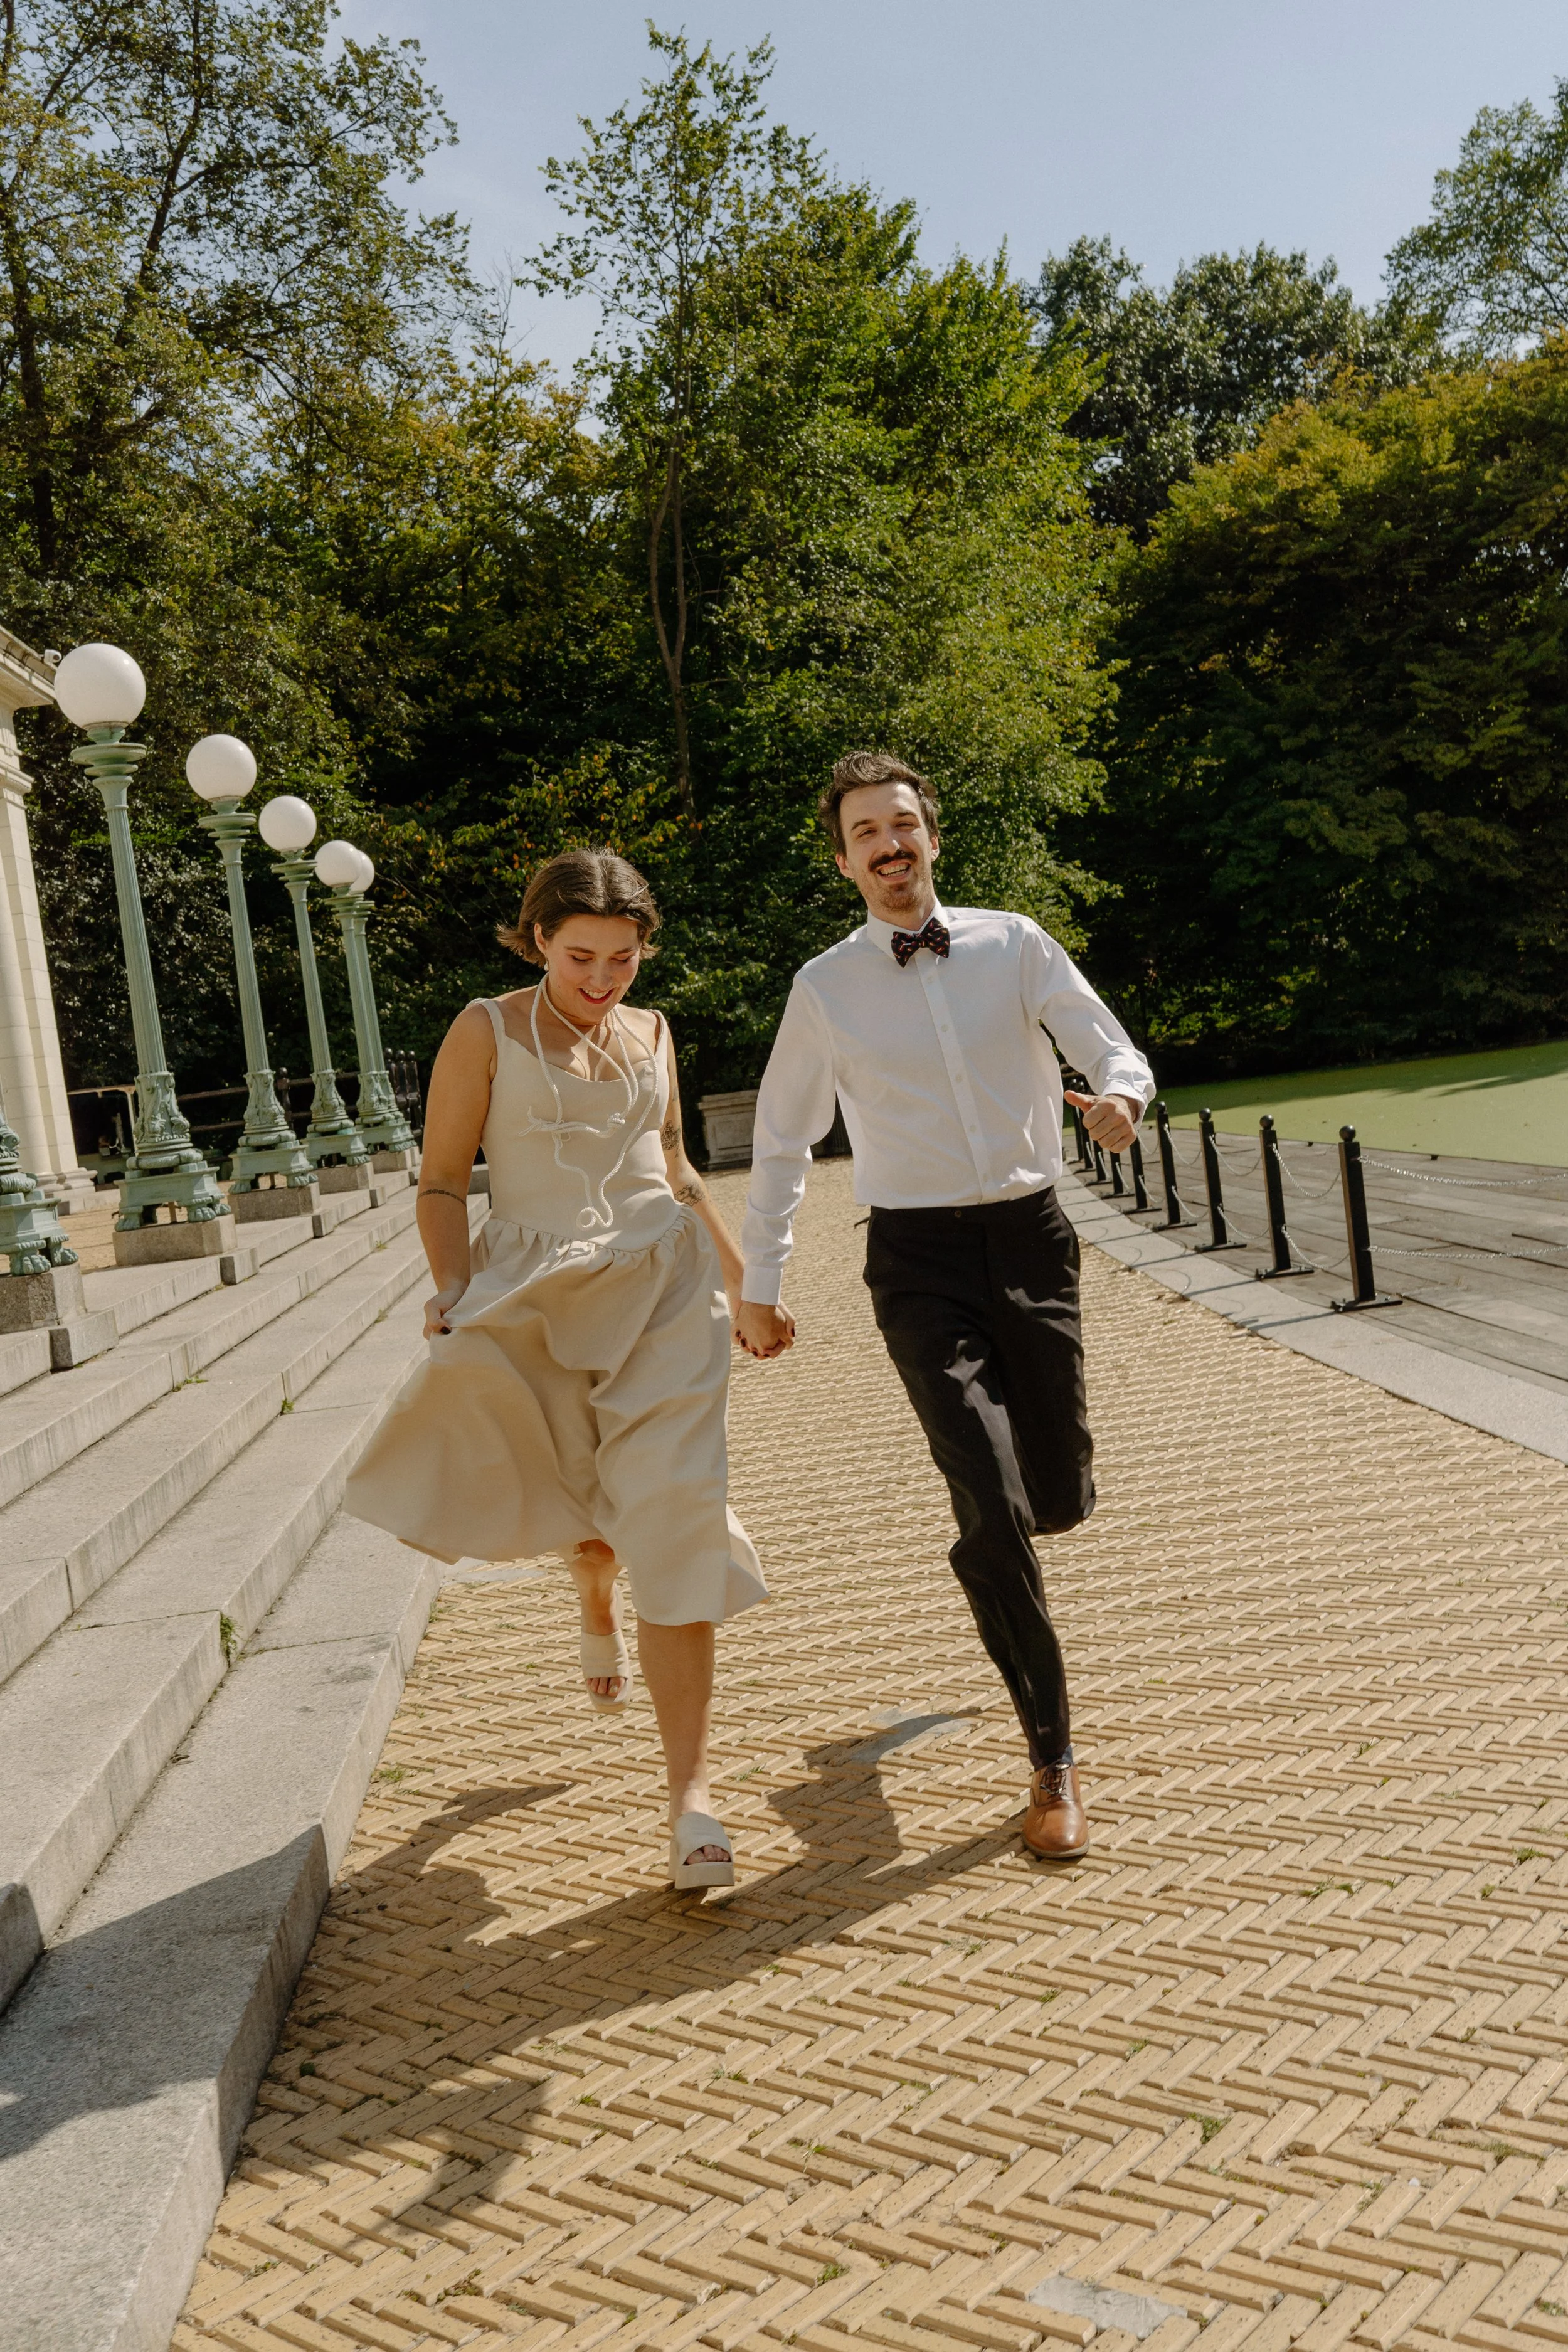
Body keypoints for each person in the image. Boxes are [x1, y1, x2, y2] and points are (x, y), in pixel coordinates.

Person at [735, 751, 1153, 1861]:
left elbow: (1105, 1038)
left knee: (1055, 1495)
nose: (889, 845)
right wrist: (760, 1286)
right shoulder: (826, 987)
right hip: (914, 1260)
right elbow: (781, 1140)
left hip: (1033, 1240)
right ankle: (1052, 1755)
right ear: (844, 861)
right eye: (866, 833)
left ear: (932, 834)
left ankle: (1009, 1534)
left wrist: (1119, 1096)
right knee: (990, 1496)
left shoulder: (1014, 943)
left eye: (903, 824)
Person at [345, 848, 765, 1891]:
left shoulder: (655, 1032)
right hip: (531, 1293)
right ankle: (591, 1592)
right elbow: (443, 1181)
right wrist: (452, 1287)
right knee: (589, 1515)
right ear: (537, 939)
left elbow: (674, 1167)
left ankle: (690, 1801)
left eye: (623, 958)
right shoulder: (484, 1030)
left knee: (674, 1508)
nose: (603, 978)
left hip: (664, 1296)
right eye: (582, 956)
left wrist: (750, 1283)